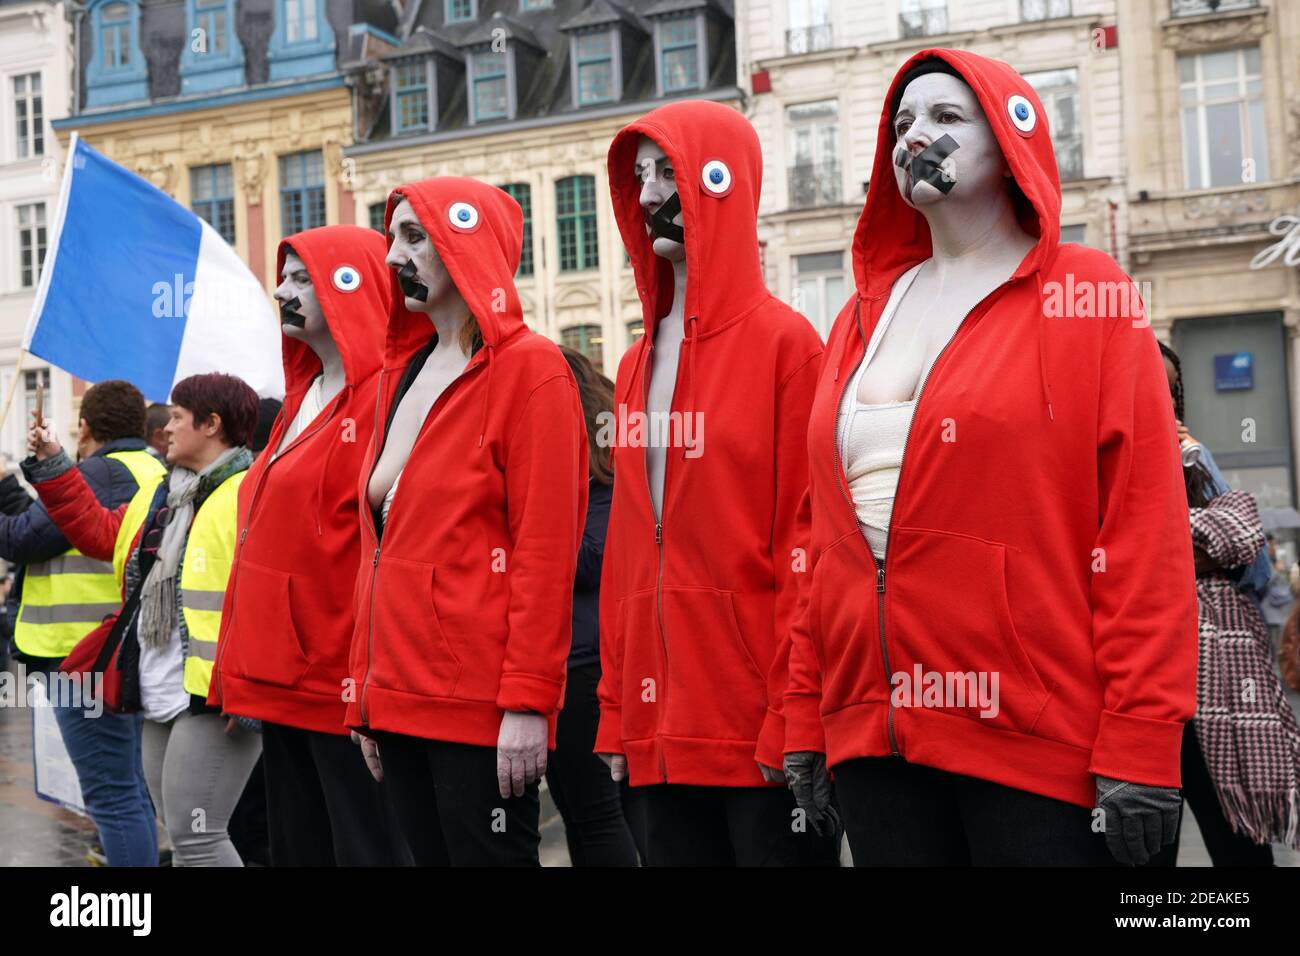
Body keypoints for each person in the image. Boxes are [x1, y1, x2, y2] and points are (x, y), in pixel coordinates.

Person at [781, 50, 1197, 866]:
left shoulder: (1089, 295)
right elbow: (817, 544)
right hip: (875, 739)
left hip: (1033, 741)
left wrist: (1144, 736)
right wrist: (806, 711)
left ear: (1010, 139)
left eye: (945, 118)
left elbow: (1144, 530)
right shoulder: (859, 320)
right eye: (901, 124)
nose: (916, 138)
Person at [594, 100, 835, 866]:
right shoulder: (634, 366)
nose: (652, 191)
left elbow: (810, 543)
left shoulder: (787, 345)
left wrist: (795, 717)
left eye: (670, 171)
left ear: (720, 183)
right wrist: (615, 711)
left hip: (756, 734)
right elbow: (629, 552)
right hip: (657, 734)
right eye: (640, 176)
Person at [346, 178, 587, 866]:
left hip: (477, 705)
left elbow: (543, 551)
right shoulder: (408, 373)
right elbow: (381, 549)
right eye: (392, 237)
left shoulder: (531, 370)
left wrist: (528, 703)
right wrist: (367, 695)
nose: (394, 256)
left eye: (415, 237)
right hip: (398, 698)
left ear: (467, 245)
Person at [210, 225, 408, 866]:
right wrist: (243, 670)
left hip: (341, 683)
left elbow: (383, 548)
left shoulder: (386, 399)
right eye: (284, 276)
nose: (280, 291)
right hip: (286, 680)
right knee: (299, 848)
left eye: (303, 279)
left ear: (350, 285)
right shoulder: (299, 402)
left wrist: (366, 679)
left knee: (364, 848)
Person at [27, 372, 263, 866]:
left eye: (178, 417)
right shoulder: (164, 494)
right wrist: (52, 462)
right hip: (159, 684)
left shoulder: (248, 494)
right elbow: (99, 533)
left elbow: (272, 600)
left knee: (199, 837)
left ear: (212, 424)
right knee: (180, 835)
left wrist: (248, 692)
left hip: (213, 695)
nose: (166, 428)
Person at [1144, 343, 1300, 866]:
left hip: (1204, 693)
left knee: (1235, 850)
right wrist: (1200, 550)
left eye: (1170, 393)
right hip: (1151, 696)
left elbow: (1253, 565)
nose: (1164, 404)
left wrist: (1167, 551)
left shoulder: (1191, 457)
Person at [2, 380, 164, 867]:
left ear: (86, 425)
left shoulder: (96, 473)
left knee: (111, 797)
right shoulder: (154, 469)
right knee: (130, 787)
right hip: (126, 651)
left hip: (82, 654)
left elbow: (23, 539)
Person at [544, 345, 640, 866]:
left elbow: (592, 559)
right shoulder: (593, 465)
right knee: (585, 815)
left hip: (585, 665)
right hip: (573, 663)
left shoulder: (598, 472)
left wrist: (529, 529)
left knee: (596, 814)